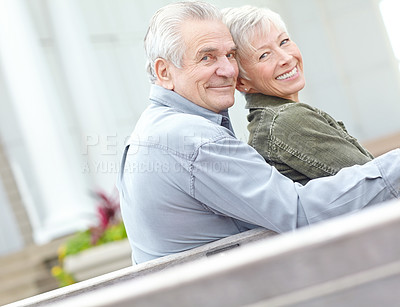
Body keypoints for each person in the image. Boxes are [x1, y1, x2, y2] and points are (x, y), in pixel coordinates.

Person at [117, 1, 400, 264]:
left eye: (229, 54)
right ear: (164, 72)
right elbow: (298, 212)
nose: (228, 69)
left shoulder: (153, 130)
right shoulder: (193, 140)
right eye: (207, 58)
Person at [223, 6, 374, 185]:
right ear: (241, 82)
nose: (285, 58)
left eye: (284, 42)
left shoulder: (272, 121)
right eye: (264, 55)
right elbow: (383, 182)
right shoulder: (286, 121)